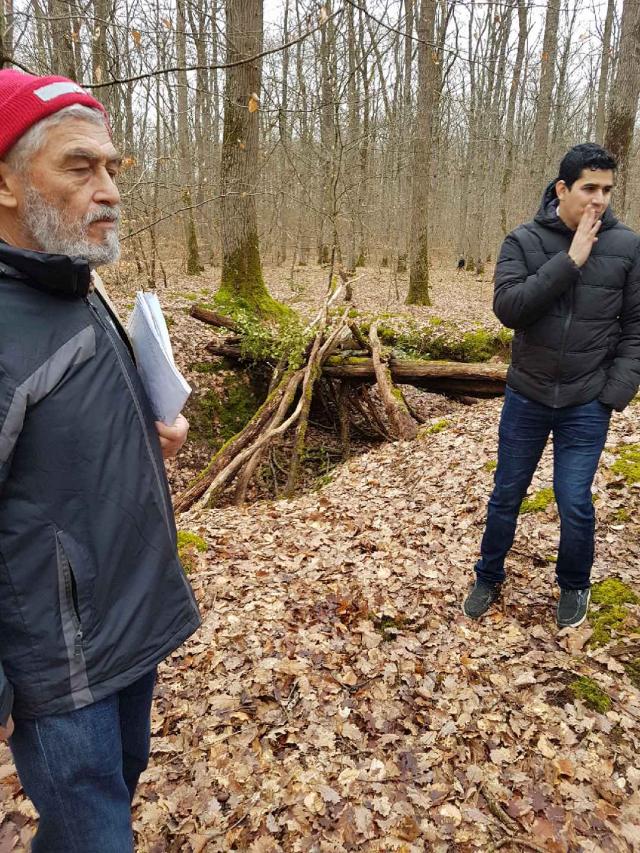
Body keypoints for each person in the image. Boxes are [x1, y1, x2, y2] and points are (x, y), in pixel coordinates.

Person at [0, 70, 201, 851]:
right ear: (8, 185)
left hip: (128, 620)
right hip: (60, 667)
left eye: (112, 167)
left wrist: (151, 434)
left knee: (116, 787)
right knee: (96, 831)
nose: (109, 189)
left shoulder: (74, 280)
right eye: (79, 168)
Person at [463, 143, 640, 629]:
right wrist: (572, 259)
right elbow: (510, 309)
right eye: (589, 188)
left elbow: (636, 329)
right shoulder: (523, 240)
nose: (599, 199)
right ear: (563, 189)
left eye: (606, 189)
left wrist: (615, 392)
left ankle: (575, 583)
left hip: (588, 400)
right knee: (506, 493)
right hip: (528, 394)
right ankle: (488, 574)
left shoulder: (627, 245)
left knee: (574, 499)